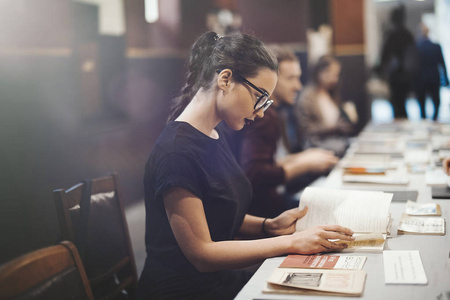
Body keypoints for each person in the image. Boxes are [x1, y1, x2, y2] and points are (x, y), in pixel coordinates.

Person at [136, 32, 354, 300]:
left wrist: (269, 226)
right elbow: (202, 254)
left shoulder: (216, 133)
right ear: (225, 79)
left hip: (219, 281)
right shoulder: (177, 152)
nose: (261, 111)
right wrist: (289, 242)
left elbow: (217, 212)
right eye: (260, 96)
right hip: (183, 291)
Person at [239, 45, 339, 218]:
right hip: (262, 210)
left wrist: (305, 157)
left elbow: (270, 161)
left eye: (298, 78)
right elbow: (254, 173)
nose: (298, 86)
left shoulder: (274, 113)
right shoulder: (264, 116)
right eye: (291, 78)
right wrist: (306, 164)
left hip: (266, 203)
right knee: (333, 210)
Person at [295, 55, 356, 156]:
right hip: (316, 146)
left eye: (336, 75)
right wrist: (333, 128)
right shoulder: (307, 97)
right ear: (318, 72)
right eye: (329, 73)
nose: (334, 79)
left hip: (334, 142)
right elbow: (305, 130)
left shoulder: (331, 94)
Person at [377, 4, 417, 119]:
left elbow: (384, 56)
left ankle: (400, 127)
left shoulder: (391, 35)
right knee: (402, 104)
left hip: (395, 76)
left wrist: (381, 73)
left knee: (397, 105)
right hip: (406, 76)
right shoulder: (408, 34)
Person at [415, 22, 449, 120]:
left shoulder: (418, 47)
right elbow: (442, 65)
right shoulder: (435, 46)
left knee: (422, 106)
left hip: (421, 79)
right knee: (436, 103)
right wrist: (445, 79)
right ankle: (433, 120)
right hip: (434, 78)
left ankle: (425, 122)